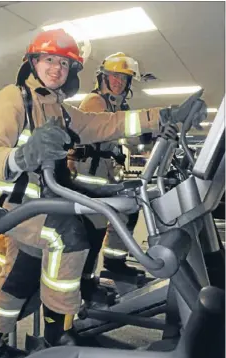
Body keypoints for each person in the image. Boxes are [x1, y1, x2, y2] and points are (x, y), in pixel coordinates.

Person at [0, 29, 160, 358]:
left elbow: (107, 124)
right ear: (33, 62)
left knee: (20, 277)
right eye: (49, 60)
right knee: (67, 235)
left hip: (37, 204)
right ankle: (59, 333)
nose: (56, 68)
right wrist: (19, 157)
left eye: (64, 64)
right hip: (6, 205)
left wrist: (162, 117)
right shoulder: (11, 98)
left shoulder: (58, 107)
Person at [67, 52, 159, 282]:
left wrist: (150, 136)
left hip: (106, 175)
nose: (119, 82)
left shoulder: (119, 105)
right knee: (92, 231)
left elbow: (128, 135)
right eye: (114, 77)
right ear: (103, 78)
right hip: (87, 176)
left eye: (124, 79)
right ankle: (83, 282)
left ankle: (114, 262)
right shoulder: (95, 101)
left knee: (128, 211)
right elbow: (110, 127)